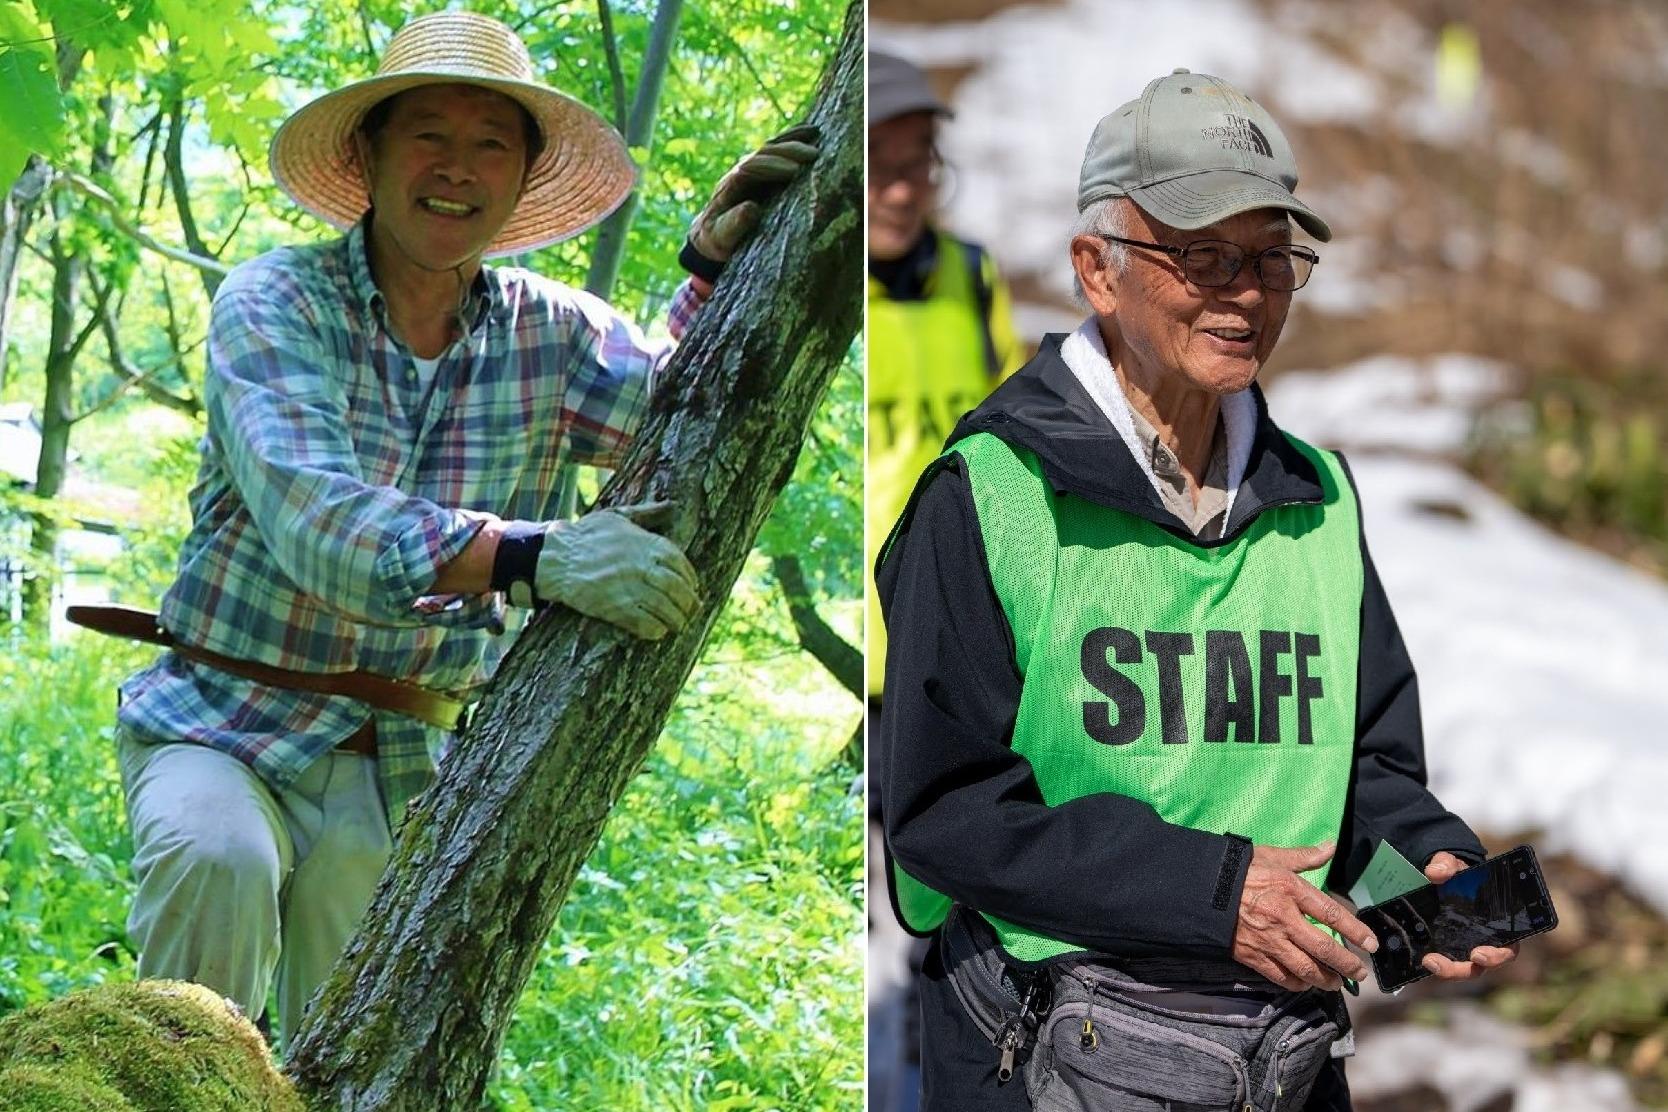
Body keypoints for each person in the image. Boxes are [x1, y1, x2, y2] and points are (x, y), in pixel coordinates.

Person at [104, 12, 815, 1046]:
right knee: (218, 871)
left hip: (398, 752)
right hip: (224, 716)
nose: (457, 168)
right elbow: (323, 524)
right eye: (428, 134)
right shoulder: (277, 303)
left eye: (492, 144)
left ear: (524, 178)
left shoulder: (555, 333)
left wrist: (710, 268)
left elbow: (678, 415)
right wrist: (537, 557)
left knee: (346, 1036)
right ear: (368, 154)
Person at [874, 69, 1516, 1111]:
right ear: (1097, 267)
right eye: (1203, 254)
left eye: (1269, 257)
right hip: (1044, 1058)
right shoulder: (989, 494)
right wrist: (1216, 895)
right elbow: (945, 816)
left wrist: (1425, 872)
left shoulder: (1320, 500)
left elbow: (1361, 772)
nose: (1246, 292)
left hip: (1284, 1059)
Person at [865, 50, 1025, 1112]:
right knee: (872, 930)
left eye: (920, 161)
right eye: (882, 162)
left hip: (968, 658)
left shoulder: (972, 280)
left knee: (957, 918)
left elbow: (1020, 450)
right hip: (857, 664)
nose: (905, 186)